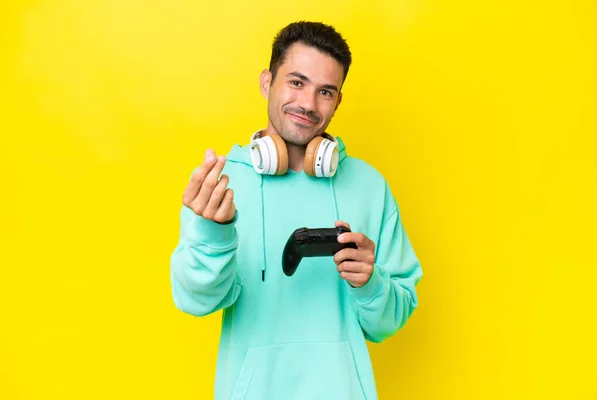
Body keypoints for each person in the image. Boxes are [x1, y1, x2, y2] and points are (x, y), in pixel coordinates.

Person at [170, 20, 423, 400]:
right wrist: (212, 234)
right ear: (266, 83)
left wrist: (370, 283)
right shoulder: (219, 187)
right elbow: (195, 301)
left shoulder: (370, 186)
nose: (308, 104)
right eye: (296, 82)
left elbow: (389, 322)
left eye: (325, 91)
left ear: (338, 101)